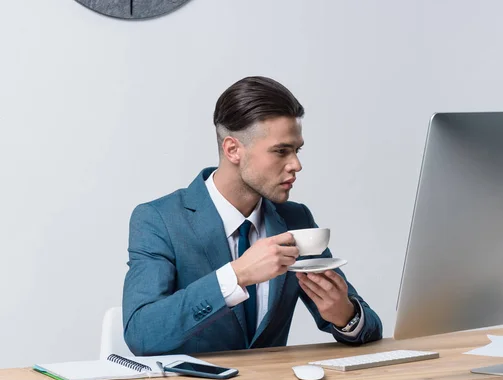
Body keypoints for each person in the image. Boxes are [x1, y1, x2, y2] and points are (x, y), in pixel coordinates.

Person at [122, 76, 383, 355]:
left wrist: (344, 314)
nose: (296, 164)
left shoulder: (296, 220)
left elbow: (369, 329)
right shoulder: (159, 219)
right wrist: (237, 275)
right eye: (281, 151)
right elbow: (141, 333)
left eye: (296, 150)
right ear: (233, 149)